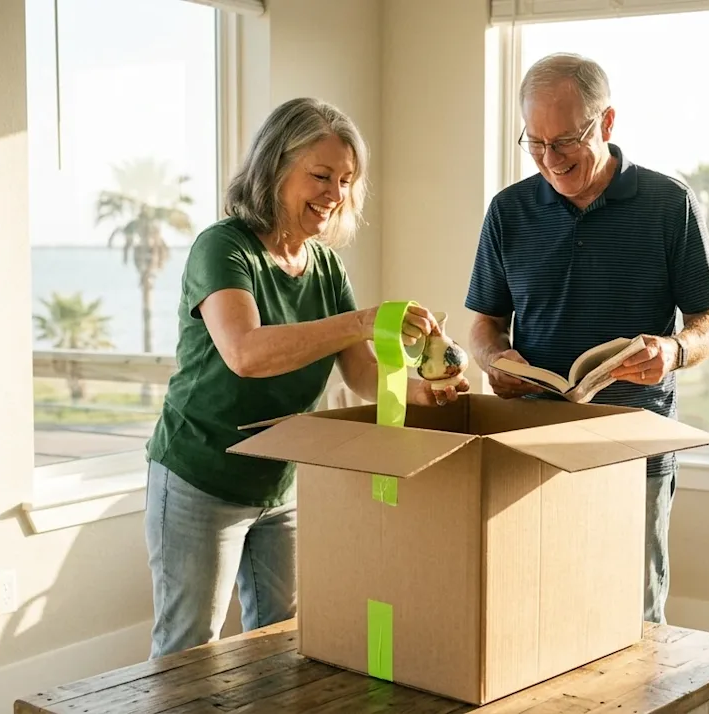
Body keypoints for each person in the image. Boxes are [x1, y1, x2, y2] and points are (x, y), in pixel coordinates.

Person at [144, 97, 468, 658]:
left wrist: (422, 394)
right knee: (188, 651)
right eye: (320, 175)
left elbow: (362, 372)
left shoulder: (323, 265)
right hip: (200, 477)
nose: (335, 193)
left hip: (281, 481)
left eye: (346, 179)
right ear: (274, 168)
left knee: (283, 642)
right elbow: (245, 353)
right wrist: (362, 320)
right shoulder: (223, 248)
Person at [465, 53, 709, 625]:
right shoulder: (508, 211)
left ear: (606, 124)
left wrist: (674, 351)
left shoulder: (668, 204)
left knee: (632, 621)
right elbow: (484, 324)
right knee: (533, 613)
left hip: (634, 448)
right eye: (534, 143)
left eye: (564, 142)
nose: (549, 161)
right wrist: (492, 361)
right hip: (530, 445)